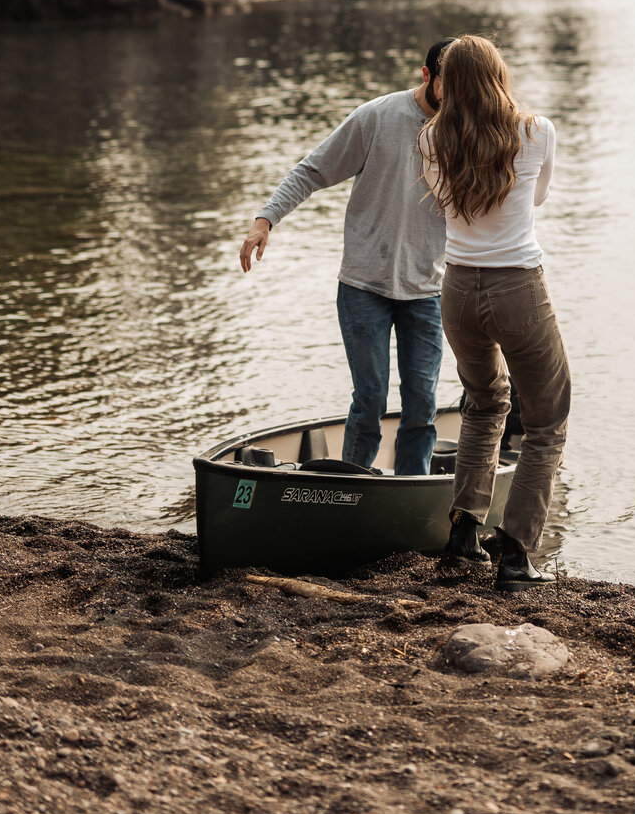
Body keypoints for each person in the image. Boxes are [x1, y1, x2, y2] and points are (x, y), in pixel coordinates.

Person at [238, 39, 454, 476]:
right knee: (370, 398)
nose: (457, 99)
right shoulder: (376, 116)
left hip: (427, 289)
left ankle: (411, 492)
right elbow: (312, 170)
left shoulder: (465, 128)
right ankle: (348, 489)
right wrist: (265, 220)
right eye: (449, 84)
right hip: (363, 286)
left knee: (421, 402)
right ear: (427, 75)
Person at [419, 34, 571, 587]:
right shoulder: (536, 131)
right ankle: (515, 552)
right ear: (499, 75)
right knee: (547, 417)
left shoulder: (431, 138)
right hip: (518, 289)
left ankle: (462, 535)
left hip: (458, 290)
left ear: (447, 83)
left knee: (484, 405)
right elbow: (535, 200)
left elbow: (446, 200)